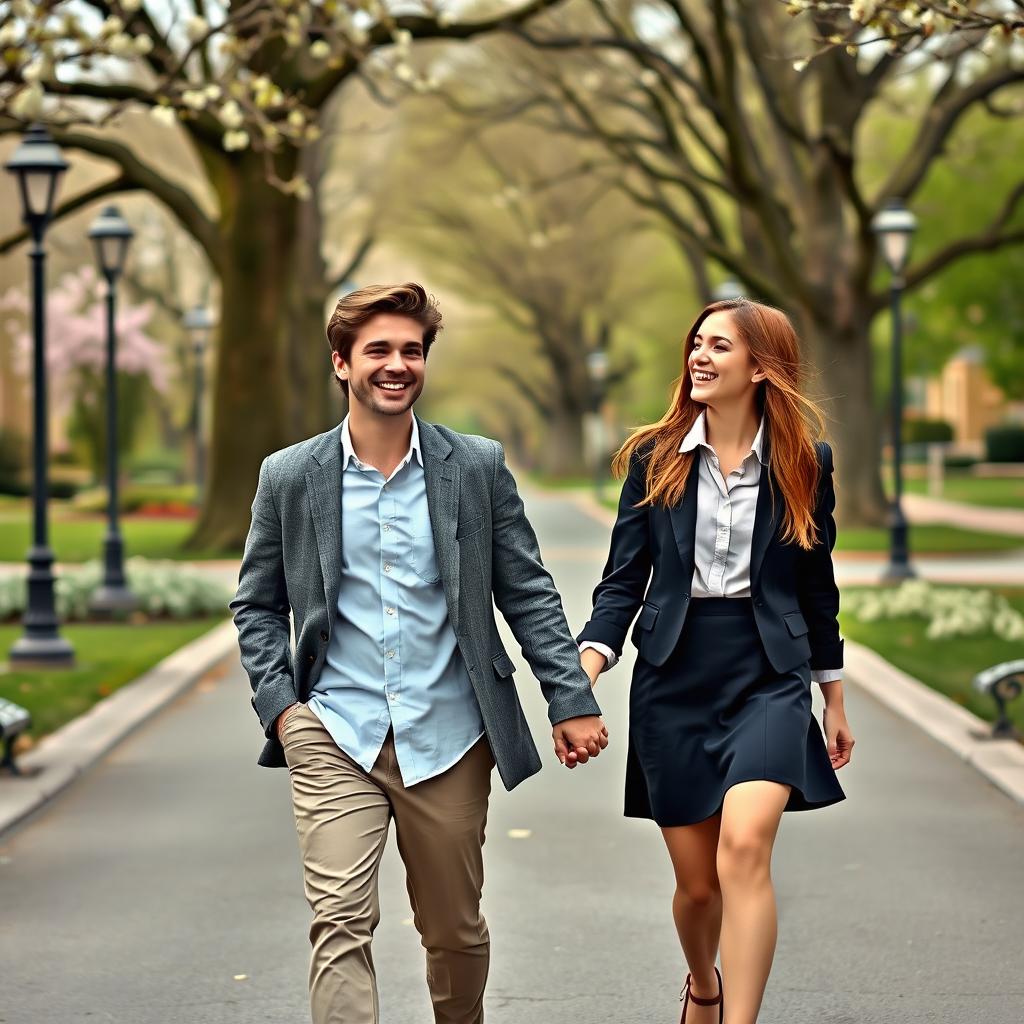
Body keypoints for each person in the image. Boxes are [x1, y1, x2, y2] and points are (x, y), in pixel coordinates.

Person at [231, 282, 608, 1024]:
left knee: (454, 931)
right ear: (342, 363)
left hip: (451, 735)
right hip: (335, 732)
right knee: (339, 921)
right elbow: (257, 604)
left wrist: (572, 699)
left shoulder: (473, 467)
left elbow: (526, 591)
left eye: (411, 350)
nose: (396, 364)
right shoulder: (290, 477)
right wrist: (284, 713)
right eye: (378, 351)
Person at [577, 297, 854, 1024]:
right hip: (675, 675)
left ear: (762, 367)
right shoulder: (653, 457)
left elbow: (814, 585)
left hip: (769, 674)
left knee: (745, 848)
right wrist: (588, 671)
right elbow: (621, 580)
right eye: (696, 342)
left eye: (719, 346)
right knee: (699, 888)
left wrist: (833, 694)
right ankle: (703, 982)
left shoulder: (804, 462)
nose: (698, 355)